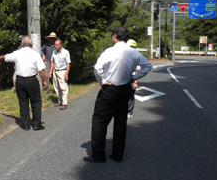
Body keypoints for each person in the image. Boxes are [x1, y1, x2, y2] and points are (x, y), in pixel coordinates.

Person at [84, 26, 152, 163]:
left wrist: (102, 81)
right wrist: (134, 77)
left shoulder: (110, 51)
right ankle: (117, 155)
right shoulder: (133, 52)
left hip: (110, 89)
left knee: (99, 121)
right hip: (125, 88)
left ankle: (98, 155)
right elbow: (147, 66)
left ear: (115, 36)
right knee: (120, 122)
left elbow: (98, 68)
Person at [0, 36, 48, 131]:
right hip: (32, 80)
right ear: (32, 44)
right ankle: (36, 124)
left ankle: (26, 125)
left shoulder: (17, 53)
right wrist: (44, 81)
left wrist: (0, 58)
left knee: (23, 102)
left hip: (20, 80)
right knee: (36, 102)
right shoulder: (36, 54)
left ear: (22, 44)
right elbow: (41, 70)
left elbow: (6, 57)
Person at [49, 38, 71, 110]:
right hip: (55, 70)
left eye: (57, 45)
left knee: (63, 87)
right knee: (56, 86)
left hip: (62, 71)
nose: (55, 46)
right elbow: (52, 61)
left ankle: (64, 103)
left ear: (61, 45)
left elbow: (68, 63)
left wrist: (66, 73)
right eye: (55, 45)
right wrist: (50, 71)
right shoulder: (54, 51)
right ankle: (60, 101)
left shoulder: (66, 52)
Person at [126, 39, 139, 119]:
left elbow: (137, 71)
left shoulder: (136, 57)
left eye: (134, 47)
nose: (132, 49)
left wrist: (135, 82)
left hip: (132, 79)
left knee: (131, 96)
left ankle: (129, 111)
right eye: (131, 47)